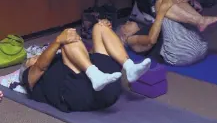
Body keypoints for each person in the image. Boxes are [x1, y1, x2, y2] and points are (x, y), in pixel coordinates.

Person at [19, 23, 151, 113]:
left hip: (107, 83)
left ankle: (129, 67)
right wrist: (58, 41)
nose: (35, 57)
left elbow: (88, 57)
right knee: (69, 40)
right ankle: (95, 75)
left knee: (100, 27)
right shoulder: (30, 78)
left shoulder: (59, 59)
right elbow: (41, 66)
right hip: (81, 94)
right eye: (31, 59)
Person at [118, 0, 217, 66]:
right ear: (124, 36)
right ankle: (201, 21)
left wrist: (176, 0)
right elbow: (151, 40)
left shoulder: (148, 26)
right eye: (125, 26)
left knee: (171, 1)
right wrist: (161, 11)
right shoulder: (131, 40)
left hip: (200, 47)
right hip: (178, 54)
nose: (128, 22)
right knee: (159, 4)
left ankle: (200, 21)